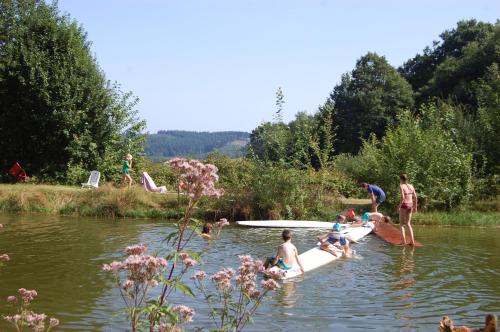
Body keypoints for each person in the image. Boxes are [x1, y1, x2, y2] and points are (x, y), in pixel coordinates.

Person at [398, 174, 417, 245]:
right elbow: (415, 197)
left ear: (401, 179)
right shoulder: (411, 186)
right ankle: (412, 241)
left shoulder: (401, 186)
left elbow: (403, 198)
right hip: (410, 205)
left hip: (404, 205)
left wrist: (399, 206)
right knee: (408, 224)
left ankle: (403, 241)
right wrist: (415, 207)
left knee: (402, 224)